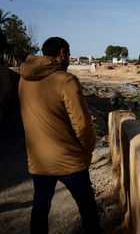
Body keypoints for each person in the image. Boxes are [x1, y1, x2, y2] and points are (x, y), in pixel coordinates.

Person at [19, 37, 101, 233]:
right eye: (70, 54)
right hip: (69, 161)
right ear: (62, 53)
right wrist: (88, 148)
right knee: (87, 208)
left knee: (40, 208)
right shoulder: (66, 80)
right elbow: (82, 124)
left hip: (39, 160)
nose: (70, 59)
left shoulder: (23, 79)